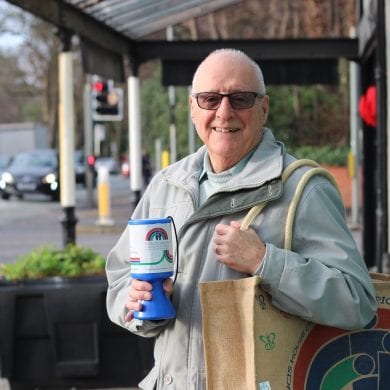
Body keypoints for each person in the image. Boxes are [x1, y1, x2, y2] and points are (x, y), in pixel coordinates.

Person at [106, 48, 377, 390]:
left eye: (240, 99)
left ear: (263, 108)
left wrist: (266, 261)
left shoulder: (302, 190)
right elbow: (119, 278)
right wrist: (138, 303)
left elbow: (358, 304)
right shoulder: (167, 186)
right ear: (193, 109)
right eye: (209, 99)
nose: (224, 111)